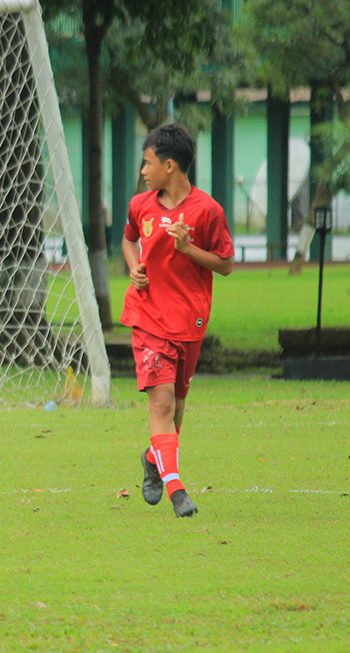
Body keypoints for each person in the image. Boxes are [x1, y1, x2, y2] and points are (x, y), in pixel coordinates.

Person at [121, 123, 234, 518]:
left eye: (148, 162)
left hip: (189, 321)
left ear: (170, 166)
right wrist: (135, 267)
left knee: (177, 410)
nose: (142, 170)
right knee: (163, 404)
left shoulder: (208, 211)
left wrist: (188, 248)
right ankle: (177, 490)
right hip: (148, 318)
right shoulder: (141, 205)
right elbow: (128, 238)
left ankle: (154, 459)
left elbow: (225, 265)